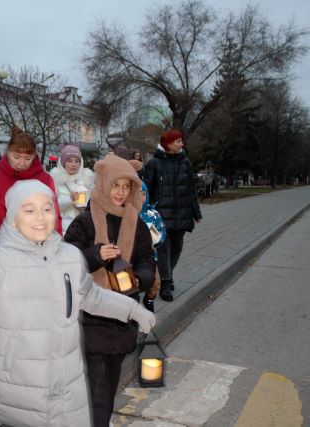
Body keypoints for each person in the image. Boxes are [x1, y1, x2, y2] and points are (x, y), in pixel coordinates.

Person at [0, 179, 156, 427]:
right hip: (16, 387)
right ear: (13, 219)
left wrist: (132, 310)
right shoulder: (1, 261)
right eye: (29, 210)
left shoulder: (69, 257)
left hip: (67, 386)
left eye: (47, 208)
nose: (40, 217)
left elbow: (92, 297)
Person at [63, 153, 156, 427]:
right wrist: (95, 255)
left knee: (106, 385)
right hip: (89, 317)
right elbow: (64, 263)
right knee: (99, 391)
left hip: (122, 317)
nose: (120, 192)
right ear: (104, 183)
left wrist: (139, 278)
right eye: (116, 185)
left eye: (127, 187)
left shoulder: (135, 222)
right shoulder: (85, 221)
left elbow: (147, 259)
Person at [0, 127, 63, 263]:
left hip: (36, 252)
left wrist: (57, 251)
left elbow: (54, 217)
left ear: (34, 156)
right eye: (16, 157)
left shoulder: (45, 180)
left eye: (27, 158)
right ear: (7, 153)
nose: (22, 163)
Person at [143, 129, 202, 302]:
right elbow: (146, 190)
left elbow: (191, 190)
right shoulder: (154, 163)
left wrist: (196, 213)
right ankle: (165, 284)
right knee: (163, 250)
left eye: (181, 141)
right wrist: (145, 213)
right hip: (160, 216)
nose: (181, 144)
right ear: (168, 144)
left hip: (182, 214)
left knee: (177, 248)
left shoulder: (185, 162)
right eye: (178, 141)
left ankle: (168, 275)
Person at [50, 144, 95, 231]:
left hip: (83, 226)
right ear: (63, 162)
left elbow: (94, 203)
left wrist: (85, 207)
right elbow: (50, 205)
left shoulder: (87, 179)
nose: (73, 164)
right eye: (69, 161)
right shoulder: (55, 180)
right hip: (61, 227)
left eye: (77, 161)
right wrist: (70, 200)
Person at [138, 181, 167, 312]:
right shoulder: (125, 213)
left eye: (143, 194)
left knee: (155, 285)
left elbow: (162, 231)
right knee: (132, 286)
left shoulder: (152, 214)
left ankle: (148, 301)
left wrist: (158, 239)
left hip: (150, 257)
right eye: (136, 194)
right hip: (132, 258)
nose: (140, 198)